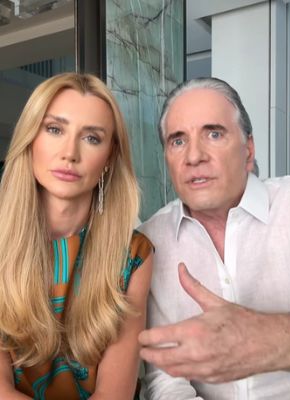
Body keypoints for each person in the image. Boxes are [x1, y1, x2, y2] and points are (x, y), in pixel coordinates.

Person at [137, 77, 290, 399]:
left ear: (248, 150)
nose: (194, 156)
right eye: (178, 141)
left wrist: (268, 338)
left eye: (214, 134)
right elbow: (166, 378)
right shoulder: (149, 242)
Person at [0, 73, 153, 399]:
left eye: (92, 138)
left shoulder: (133, 255)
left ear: (110, 157)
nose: (70, 153)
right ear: (31, 139)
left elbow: (113, 396)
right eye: (55, 129)